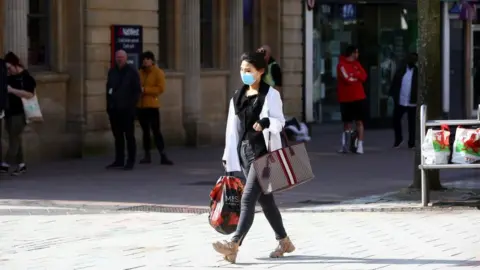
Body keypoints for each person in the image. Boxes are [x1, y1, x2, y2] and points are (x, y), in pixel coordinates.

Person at [213, 51, 295, 263]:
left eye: (248, 70)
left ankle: (234, 244)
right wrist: (227, 155)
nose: (244, 74)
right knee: (266, 202)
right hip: (245, 153)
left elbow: (280, 122)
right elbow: (232, 129)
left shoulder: (271, 95)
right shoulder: (237, 96)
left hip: (265, 154)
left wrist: (267, 122)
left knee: (248, 198)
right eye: (242, 70)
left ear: (260, 71)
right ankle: (284, 240)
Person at [0, 52, 36, 175]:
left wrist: (12, 90)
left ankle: (5, 164)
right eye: (7, 69)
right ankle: (21, 165)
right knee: (15, 138)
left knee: (14, 139)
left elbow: (30, 94)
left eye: (10, 68)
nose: (8, 71)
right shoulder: (8, 77)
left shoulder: (25, 77)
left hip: (20, 112)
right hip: (9, 112)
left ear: (16, 65)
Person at [106, 50, 142, 170]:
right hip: (114, 110)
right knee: (118, 136)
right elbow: (108, 89)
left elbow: (137, 91)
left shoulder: (132, 72)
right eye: (117, 57)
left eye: (121, 57)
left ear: (126, 58)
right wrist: (109, 106)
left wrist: (132, 106)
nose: (119, 59)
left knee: (129, 136)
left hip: (127, 110)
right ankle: (119, 159)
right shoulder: (112, 72)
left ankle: (130, 160)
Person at [137, 51, 173, 165]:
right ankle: (147, 155)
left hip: (152, 105)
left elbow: (160, 88)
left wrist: (145, 90)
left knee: (156, 131)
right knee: (145, 132)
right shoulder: (140, 73)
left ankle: (163, 155)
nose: (145, 61)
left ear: (152, 61)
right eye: (143, 59)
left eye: (147, 59)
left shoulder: (158, 72)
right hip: (141, 105)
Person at [336, 45, 367, 154]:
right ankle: (345, 145)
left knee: (359, 121)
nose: (358, 55)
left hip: (359, 97)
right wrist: (356, 75)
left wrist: (355, 75)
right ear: (352, 53)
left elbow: (364, 76)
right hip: (346, 98)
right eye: (356, 52)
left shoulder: (357, 64)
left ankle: (360, 145)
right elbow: (347, 79)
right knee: (347, 123)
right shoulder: (341, 65)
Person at [390, 52, 418, 149]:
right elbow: (395, 82)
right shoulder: (401, 70)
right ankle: (398, 139)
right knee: (396, 119)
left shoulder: (417, 72)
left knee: (412, 123)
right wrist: (393, 95)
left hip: (412, 101)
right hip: (401, 100)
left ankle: (411, 143)